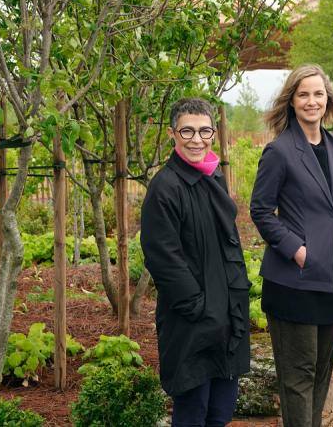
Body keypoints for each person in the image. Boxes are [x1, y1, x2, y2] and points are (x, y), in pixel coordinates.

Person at [250, 64, 333, 427]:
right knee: (297, 378)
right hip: (293, 282)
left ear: (328, 100)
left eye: (318, 94)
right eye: (303, 94)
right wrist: (297, 250)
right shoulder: (280, 151)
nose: (311, 101)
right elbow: (261, 211)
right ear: (292, 101)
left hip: (332, 278)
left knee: (320, 375)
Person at [140, 98, 250, 427]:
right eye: (187, 130)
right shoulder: (165, 188)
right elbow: (163, 257)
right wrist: (198, 307)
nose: (196, 139)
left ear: (213, 134)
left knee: (220, 413)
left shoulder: (212, 177)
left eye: (204, 131)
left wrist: (232, 303)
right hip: (192, 322)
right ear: (173, 134)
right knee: (192, 414)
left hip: (226, 317)